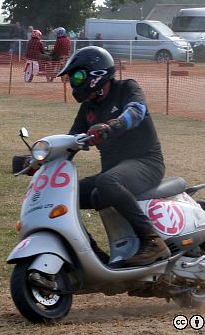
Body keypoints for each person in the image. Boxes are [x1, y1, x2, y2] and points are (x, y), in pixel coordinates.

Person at [57, 46, 170, 268]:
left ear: (96, 73)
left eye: (77, 76)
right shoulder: (89, 108)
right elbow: (72, 140)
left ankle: (153, 241)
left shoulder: (127, 88)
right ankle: (92, 253)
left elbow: (136, 111)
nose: (73, 83)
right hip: (114, 170)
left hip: (146, 162)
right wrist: (41, 159)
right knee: (64, 196)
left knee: (106, 181)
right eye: (71, 78)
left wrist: (114, 125)